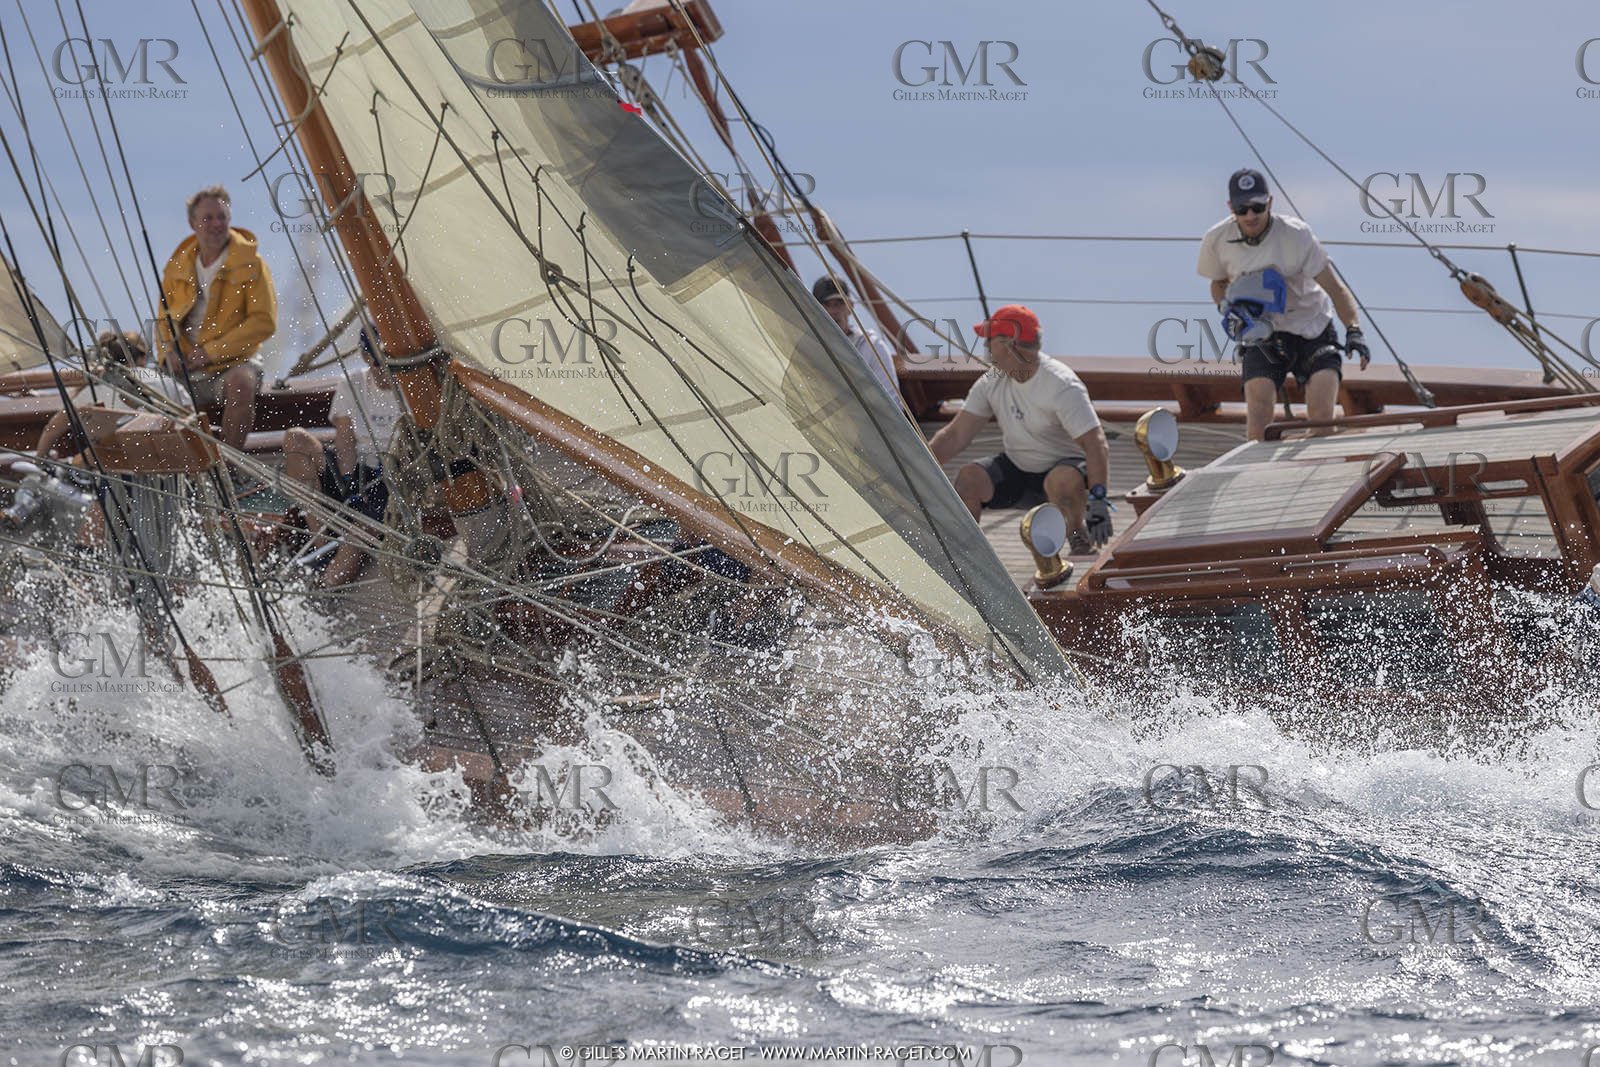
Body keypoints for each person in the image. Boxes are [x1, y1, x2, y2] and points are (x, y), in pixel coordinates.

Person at [1198, 168, 1369, 441]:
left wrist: (1354, 330)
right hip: (1262, 332)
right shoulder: (1217, 239)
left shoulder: (1297, 234)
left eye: (1258, 207)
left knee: (1323, 419)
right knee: (1259, 414)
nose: (1250, 216)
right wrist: (1228, 310)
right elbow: (1218, 283)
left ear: (1270, 202)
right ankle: (1259, 466)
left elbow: (1335, 288)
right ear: (1231, 208)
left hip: (1312, 326)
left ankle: (1320, 462)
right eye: (1242, 209)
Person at [928, 305, 1113, 553]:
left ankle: (1078, 538)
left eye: (990, 339)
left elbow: (1095, 443)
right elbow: (955, 435)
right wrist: (914, 463)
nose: (985, 346)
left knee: (1062, 482)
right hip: (1018, 469)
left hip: (1064, 475)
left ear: (1009, 344)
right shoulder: (992, 380)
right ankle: (967, 555)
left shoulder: (1061, 384)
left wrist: (1099, 498)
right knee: (969, 478)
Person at [157, 184, 277, 470]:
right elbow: (163, 320)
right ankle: (178, 472)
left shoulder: (252, 263)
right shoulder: (176, 267)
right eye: (208, 218)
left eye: (222, 217)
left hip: (234, 363)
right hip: (186, 367)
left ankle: (226, 470)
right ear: (192, 223)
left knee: (242, 385)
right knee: (149, 392)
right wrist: (167, 354)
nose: (216, 224)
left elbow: (264, 321)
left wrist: (212, 352)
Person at [282, 329, 406, 588]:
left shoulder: (413, 386)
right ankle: (322, 543)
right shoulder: (352, 382)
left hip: (395, 476)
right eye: (377, 362)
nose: (384, 369)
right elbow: (346, 440)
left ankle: (326, 585)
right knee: (295, 439)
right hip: (355, 471)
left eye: (390, 360)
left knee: (359, 531)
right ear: (365, 356)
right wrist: (350, 484)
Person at [34, 330, 187, 459]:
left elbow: (52, 429)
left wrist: (41, 460)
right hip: (170, 462)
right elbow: (190, 419)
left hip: (116, 468)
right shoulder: (168, 383)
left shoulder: (89, 392)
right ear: (142, 358)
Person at [812, 275, 901, 402]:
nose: (833, 311)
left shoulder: (872, 347)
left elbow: (892, 401)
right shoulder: (807, 348)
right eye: (826, 305)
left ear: (850, 307)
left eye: (838, 304)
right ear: (814, 310)